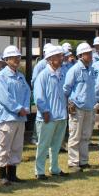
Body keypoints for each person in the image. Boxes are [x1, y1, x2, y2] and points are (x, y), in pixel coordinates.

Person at [0, 45, 31, 185]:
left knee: (16, 146)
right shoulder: (1, 77)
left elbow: (27, 92)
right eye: (14, 57)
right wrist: (18, 108)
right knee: (4, 146)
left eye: (18, 57)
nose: (17, 60)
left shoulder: (20, 76)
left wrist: (25, 107)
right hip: (7, 117)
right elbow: (4, 97)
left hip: (20, 117)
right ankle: (1, 176)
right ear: (6, 59)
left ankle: (12, 174)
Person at [33, 46, 69, 180]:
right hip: (47, 117)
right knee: (43, 145)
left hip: (61, 116)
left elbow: (65, 93)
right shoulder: (43, 75)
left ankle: (54, 168)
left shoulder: (62, 74)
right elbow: (39, 97)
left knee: (56, 145)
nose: (61, 58)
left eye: (61, 56)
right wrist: (45, 111)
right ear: (50, 59)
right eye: (58, 56)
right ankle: (39, 170)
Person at [63, 42, 96, 171]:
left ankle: (83, 161)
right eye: (88, 53)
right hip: (77, 108)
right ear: (81, 55)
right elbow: (66, 89)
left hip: (89, 107)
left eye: (90, 53)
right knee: (75, 136)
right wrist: (70, 103)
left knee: (86, 136)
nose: (90, 55)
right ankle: (73, 162)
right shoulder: (74, 70)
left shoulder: (91, 69)